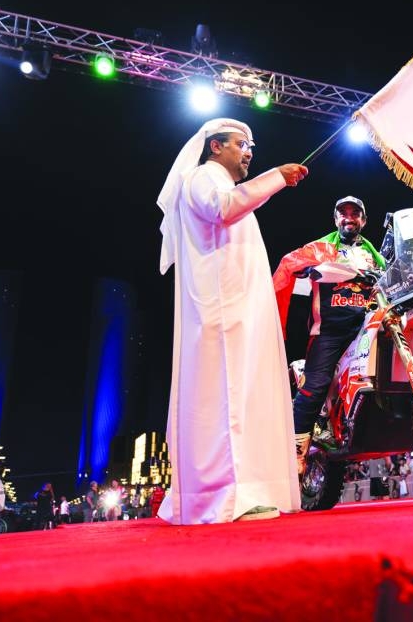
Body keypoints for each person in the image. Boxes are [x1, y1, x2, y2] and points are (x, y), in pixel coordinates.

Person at [156, 118, 306, 524]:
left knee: (242, 398)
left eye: (252, 145)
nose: (250, 151)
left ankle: (251, 489)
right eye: (242, 144)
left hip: (238, 313)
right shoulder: (204, 178)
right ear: (216, 146)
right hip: (220, 316)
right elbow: (223, 209)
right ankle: (228, 496)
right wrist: (276, 177)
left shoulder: (221, 183)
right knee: (226, 399)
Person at [272, 196, 386, 474]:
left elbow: (394, 279)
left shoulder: (376, 255)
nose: (349, 218)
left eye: (355, 213)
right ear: (336, 220)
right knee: (315, 386)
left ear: (364, 220)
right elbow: (290, 263)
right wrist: (306, 269)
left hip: (365, 325)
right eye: (343, 213)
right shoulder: (322, 247)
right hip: (330, 330)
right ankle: (294, 458)